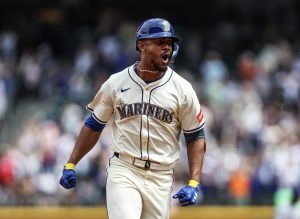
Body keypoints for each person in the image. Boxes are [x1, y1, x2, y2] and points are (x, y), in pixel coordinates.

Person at [59, 18, 206, 219]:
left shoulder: (183, 89)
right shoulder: (116, 83)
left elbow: (196, 136)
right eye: (159, 42)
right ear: (141, 45)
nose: (167, 48)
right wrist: (71, 163)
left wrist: (194, 182)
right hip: (124, 169)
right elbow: (94, 124)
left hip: (161, 176)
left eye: (169, 43)